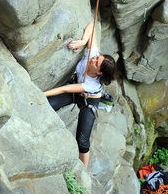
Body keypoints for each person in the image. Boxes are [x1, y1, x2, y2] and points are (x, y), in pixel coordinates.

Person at [44, 22, 115, 168]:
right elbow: (92, 25)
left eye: (96, 62)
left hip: (89, 102)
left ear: (100, 72)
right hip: (77, 90)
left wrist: (41, 94)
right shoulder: (93, 54)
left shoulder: (92, 84)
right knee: (49, 105)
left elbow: (64, 89)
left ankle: (83, 172)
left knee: (82, 141)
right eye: (97, 57)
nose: (93, 59)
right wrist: (83, 42)